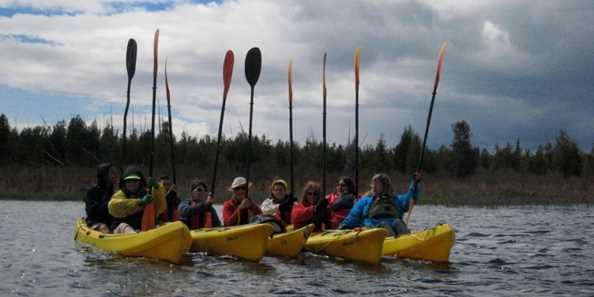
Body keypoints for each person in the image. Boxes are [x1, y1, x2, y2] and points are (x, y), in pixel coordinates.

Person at [338, 172, 422, 236]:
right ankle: (392, 242)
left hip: (395, 229)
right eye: (374, 183)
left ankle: (405, 241)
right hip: (373, 230)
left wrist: (414, 183)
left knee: (398, 222)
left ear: (386, 185)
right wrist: (343, 227)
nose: (374, 186)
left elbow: (410, 197)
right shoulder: (365, 200)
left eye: (377, 184)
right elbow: (353, 216)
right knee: (384, 225)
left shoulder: (396, 200)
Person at [108, 166, 166, 234]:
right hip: (123, 230)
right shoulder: (120, 194)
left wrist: (157, 188)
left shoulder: (147, 193)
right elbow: (113, 207)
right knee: (124, 226)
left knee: (160, 225)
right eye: (128, 181)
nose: (131, 183)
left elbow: (161, 208)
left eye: (135, 180)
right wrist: (140, 202)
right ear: (124, 182)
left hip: (143, 229)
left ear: (140, 182)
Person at [84, 163, 120, 233]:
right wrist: (111, 203)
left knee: (124, 226)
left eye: (116, 173)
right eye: (112, 173)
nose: (115, 176)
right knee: (104, 227)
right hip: (96, 223)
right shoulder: (92, 192)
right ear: (104, 175)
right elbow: (92, 212)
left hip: (113, 224)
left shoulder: (118, 192)